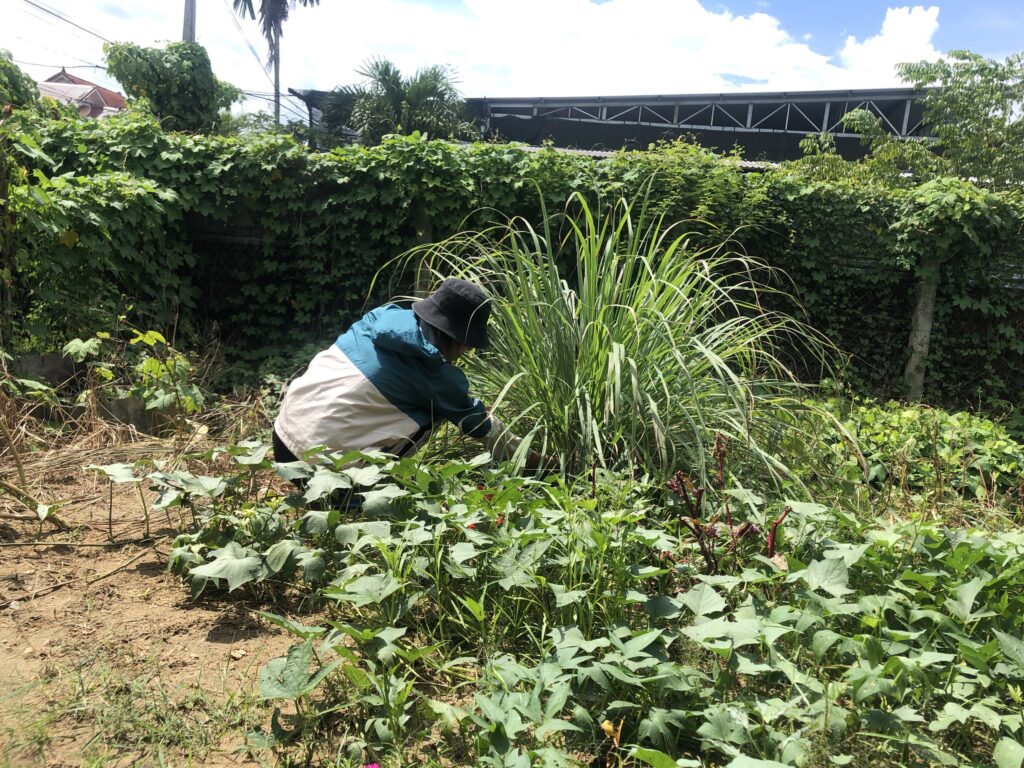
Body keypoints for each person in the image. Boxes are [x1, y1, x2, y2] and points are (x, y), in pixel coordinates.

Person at [272, 278, 533, 468]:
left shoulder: (380, 316)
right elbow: (482, 426)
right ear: (458, 338)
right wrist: (536, 459)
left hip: (283, 432)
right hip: (316, 467)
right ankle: (354, 496)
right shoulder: (437, 377)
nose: (465, 350)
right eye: (467, 343)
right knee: (434, 415)